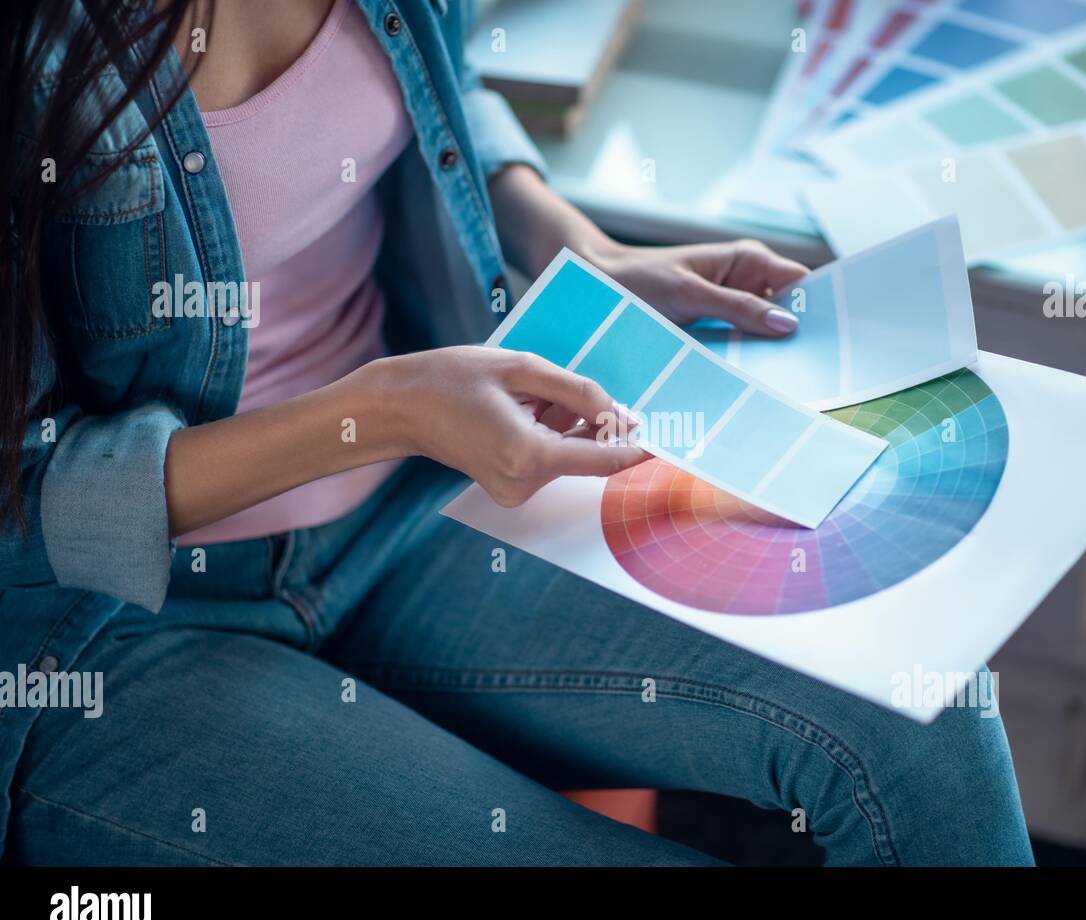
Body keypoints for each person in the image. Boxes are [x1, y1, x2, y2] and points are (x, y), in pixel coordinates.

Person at [0, 0, 1033, 865]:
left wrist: (578, 247)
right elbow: (19, 501)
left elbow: (441, 84)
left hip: (412, 504)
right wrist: (381, 411)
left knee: (926, 725)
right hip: (119, 626)